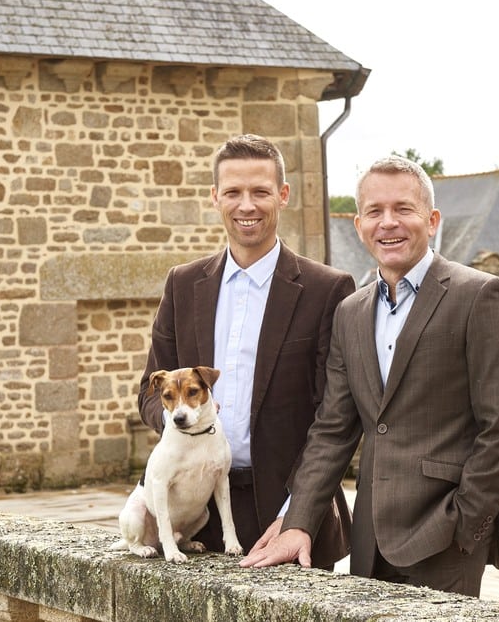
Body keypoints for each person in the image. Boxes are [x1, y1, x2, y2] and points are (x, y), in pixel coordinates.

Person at [240, 155, 499, 597]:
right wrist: (299, 522)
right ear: (359, 225)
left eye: (403, 209)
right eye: (375, 212)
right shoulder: (350, 312)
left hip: (446, 540)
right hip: (369, 542)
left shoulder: (481, 296)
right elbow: (333, 430)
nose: (388, 223)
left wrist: (467, 523)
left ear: (431, 220)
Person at [137, 134, 354, 568]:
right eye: (233, 192)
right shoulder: (182, 284)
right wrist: (182, 418)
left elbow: (336, 416)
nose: (246, 205)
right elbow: (149, 391)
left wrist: (297, 513)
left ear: (283, 195)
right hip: (194, 512)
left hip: (284, 512)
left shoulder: (327, 289)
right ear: (215, 196)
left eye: (260, 192)